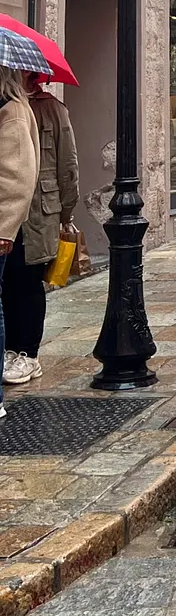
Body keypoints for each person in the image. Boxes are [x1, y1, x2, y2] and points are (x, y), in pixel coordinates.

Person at [1, 76, 80, 386]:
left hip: (40, 211)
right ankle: (10, 349)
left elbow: (68, 165)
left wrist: (67, 213)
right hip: (9, 211)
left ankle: (28, 353)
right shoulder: (6, 106)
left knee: (30, 279)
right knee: (7, 281)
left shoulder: (52, 110)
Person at [0, 68, 40, 419]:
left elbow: (17, 177)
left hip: (7, 225)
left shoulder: (12, 110)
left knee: (17, 290)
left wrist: (5, 229)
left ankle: (22, 354)